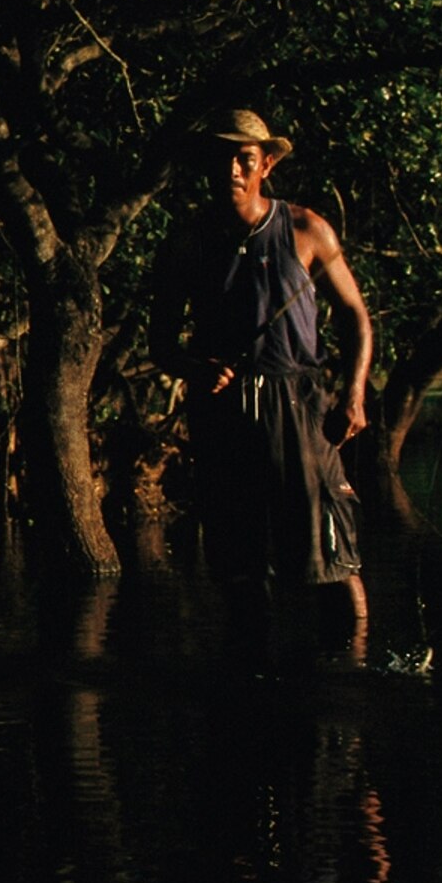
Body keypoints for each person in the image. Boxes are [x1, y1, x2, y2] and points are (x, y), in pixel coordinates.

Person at [156, 109, 371, 627]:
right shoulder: (186, 243)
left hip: (299, 404)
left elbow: (356, 317)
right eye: (220, 158)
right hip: (222, 411)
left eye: (243, 158)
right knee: (239, 564)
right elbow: (159, 345)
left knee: (331, 555)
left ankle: (354, 678)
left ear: (265, 165)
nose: (230, 168)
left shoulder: (306, 228)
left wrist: (354, 394)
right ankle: (254, 686)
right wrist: (195, 368)